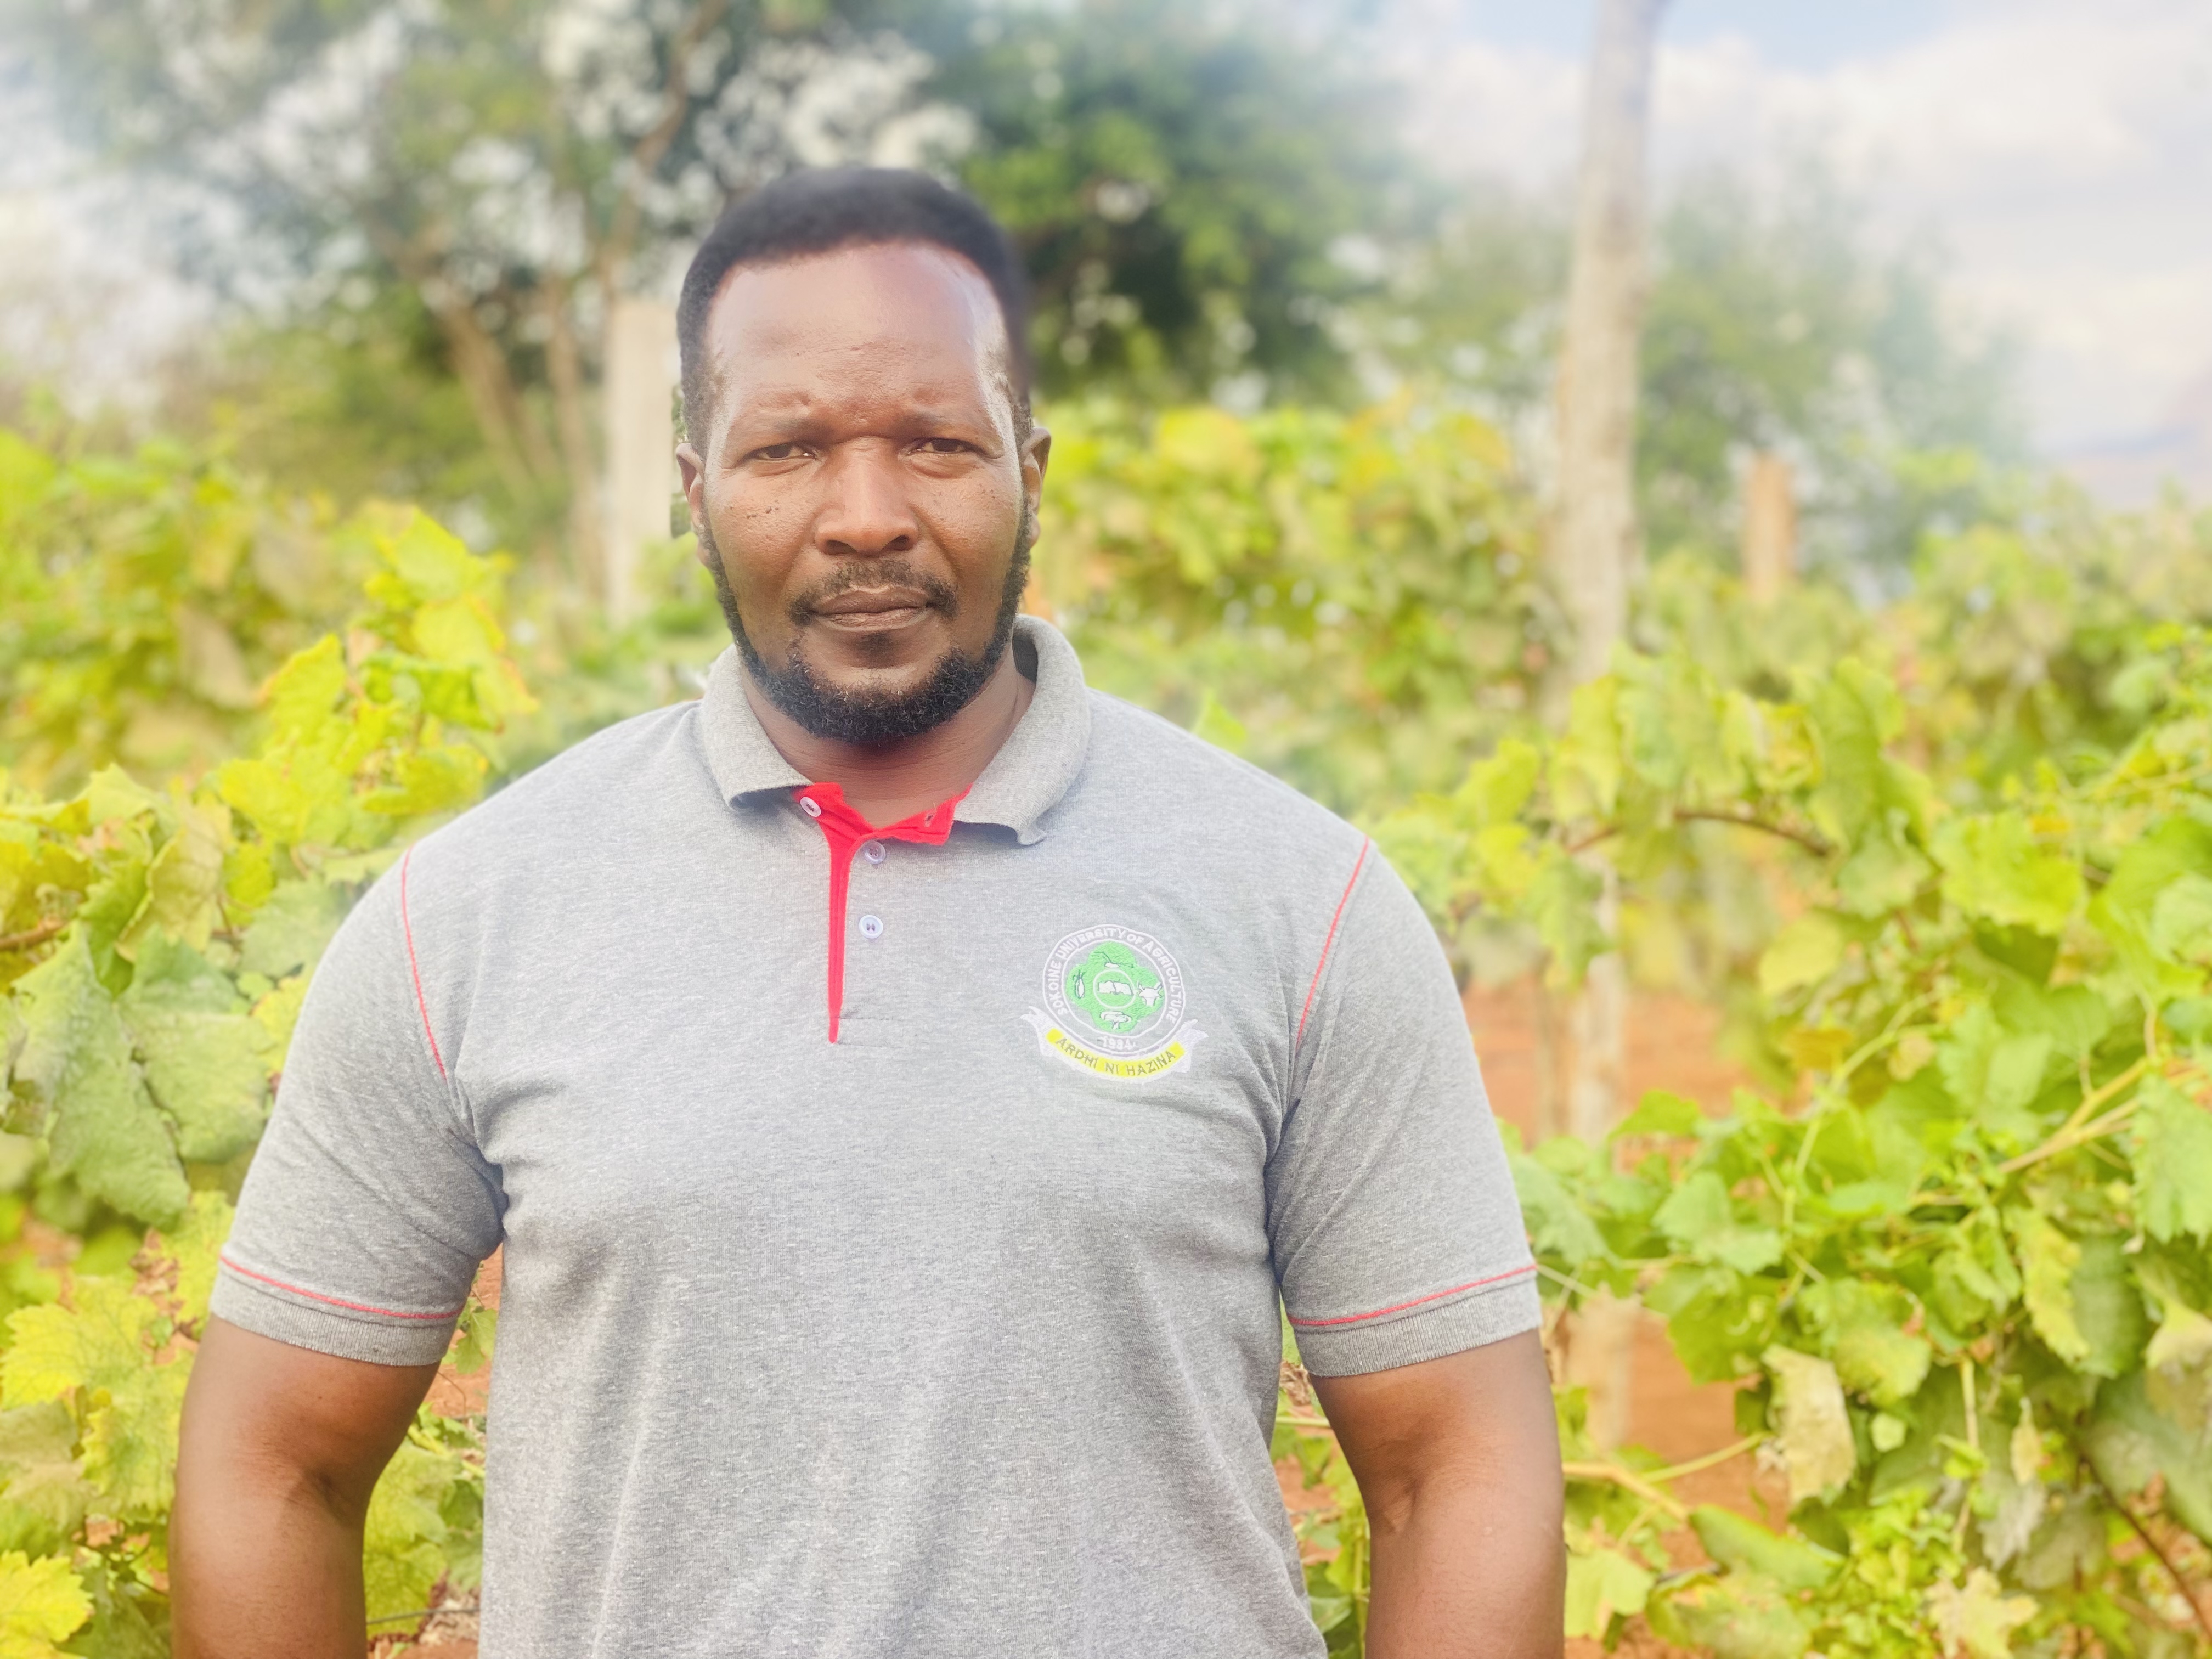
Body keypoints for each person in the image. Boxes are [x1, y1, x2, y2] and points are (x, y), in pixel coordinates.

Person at [172, 167, 1564, 1659]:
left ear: (1030, 469)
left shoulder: (1296, 899)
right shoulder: (470, 917)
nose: (866, 517)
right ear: (696, 488)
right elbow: (273, 1465)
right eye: (787, 450)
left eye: (937, 444)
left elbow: (1457, 1470)